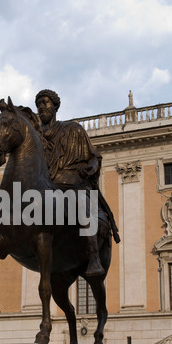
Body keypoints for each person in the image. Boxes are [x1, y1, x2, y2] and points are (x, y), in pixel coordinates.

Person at [35, 89, 120, 276]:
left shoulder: (73, 130)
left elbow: (94, 157)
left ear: (55, 106)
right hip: (46, 187)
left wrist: (90, 168)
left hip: (73, 184)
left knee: (79, 201)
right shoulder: (34, 137)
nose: (42, 107)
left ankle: (94, 258)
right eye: (39, 103)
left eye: (46, 102)